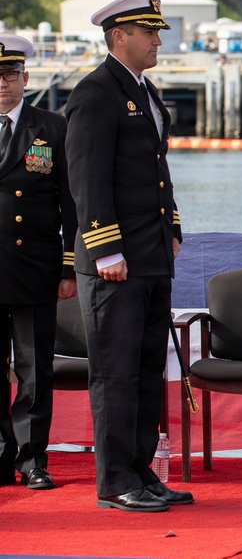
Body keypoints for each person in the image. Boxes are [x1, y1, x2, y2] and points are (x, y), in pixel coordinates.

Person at [65, 0, 192, 512]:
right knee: (116, 371)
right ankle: (116, 479)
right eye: (150, 31)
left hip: (151, 253)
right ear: (121, 36)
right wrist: (105, 249)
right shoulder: (96, 93)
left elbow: (156, 174)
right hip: (116, 260)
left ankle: (141, 470)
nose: (159, 39)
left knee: (144, 369)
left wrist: (173, 228)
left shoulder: (142, 89)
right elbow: (87, 179)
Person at [0, 34, 78, 491]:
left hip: (34, 268)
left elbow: (71, 202)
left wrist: (68, 266)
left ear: (26, 78)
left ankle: (32, 459)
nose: (2, 84)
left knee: (34, 369)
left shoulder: (52, 128)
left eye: (10, 75)